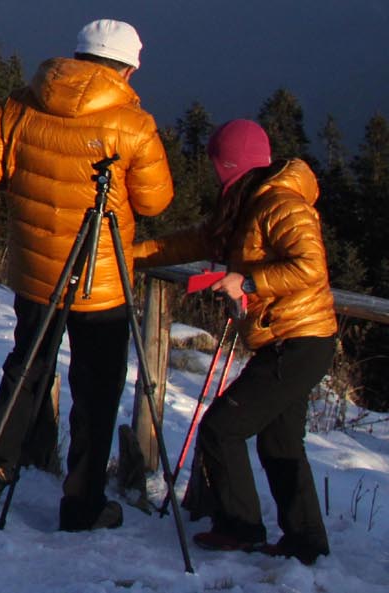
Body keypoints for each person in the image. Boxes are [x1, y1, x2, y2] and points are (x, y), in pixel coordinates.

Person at [0, 19, 175, 531]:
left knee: (27, 366)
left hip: (37, 269)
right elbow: (155, 201)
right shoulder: (133, 124)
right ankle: (82, 503)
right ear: (128, 69)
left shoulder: (20, 104)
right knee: (96, 389)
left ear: (77, 56)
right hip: (102, 281)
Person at [132, 119, 338, 565]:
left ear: (230, 165)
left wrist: (246, 282)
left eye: (216, 164)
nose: (212, 173)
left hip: (298, 340)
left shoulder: (280, 203)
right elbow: (196, 241)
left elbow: (310, 267)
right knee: (280, 443)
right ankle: (305, 542)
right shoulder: (247, 204)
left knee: (222, 428)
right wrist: (130, 254)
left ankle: (241, 528)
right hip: (291, 338)